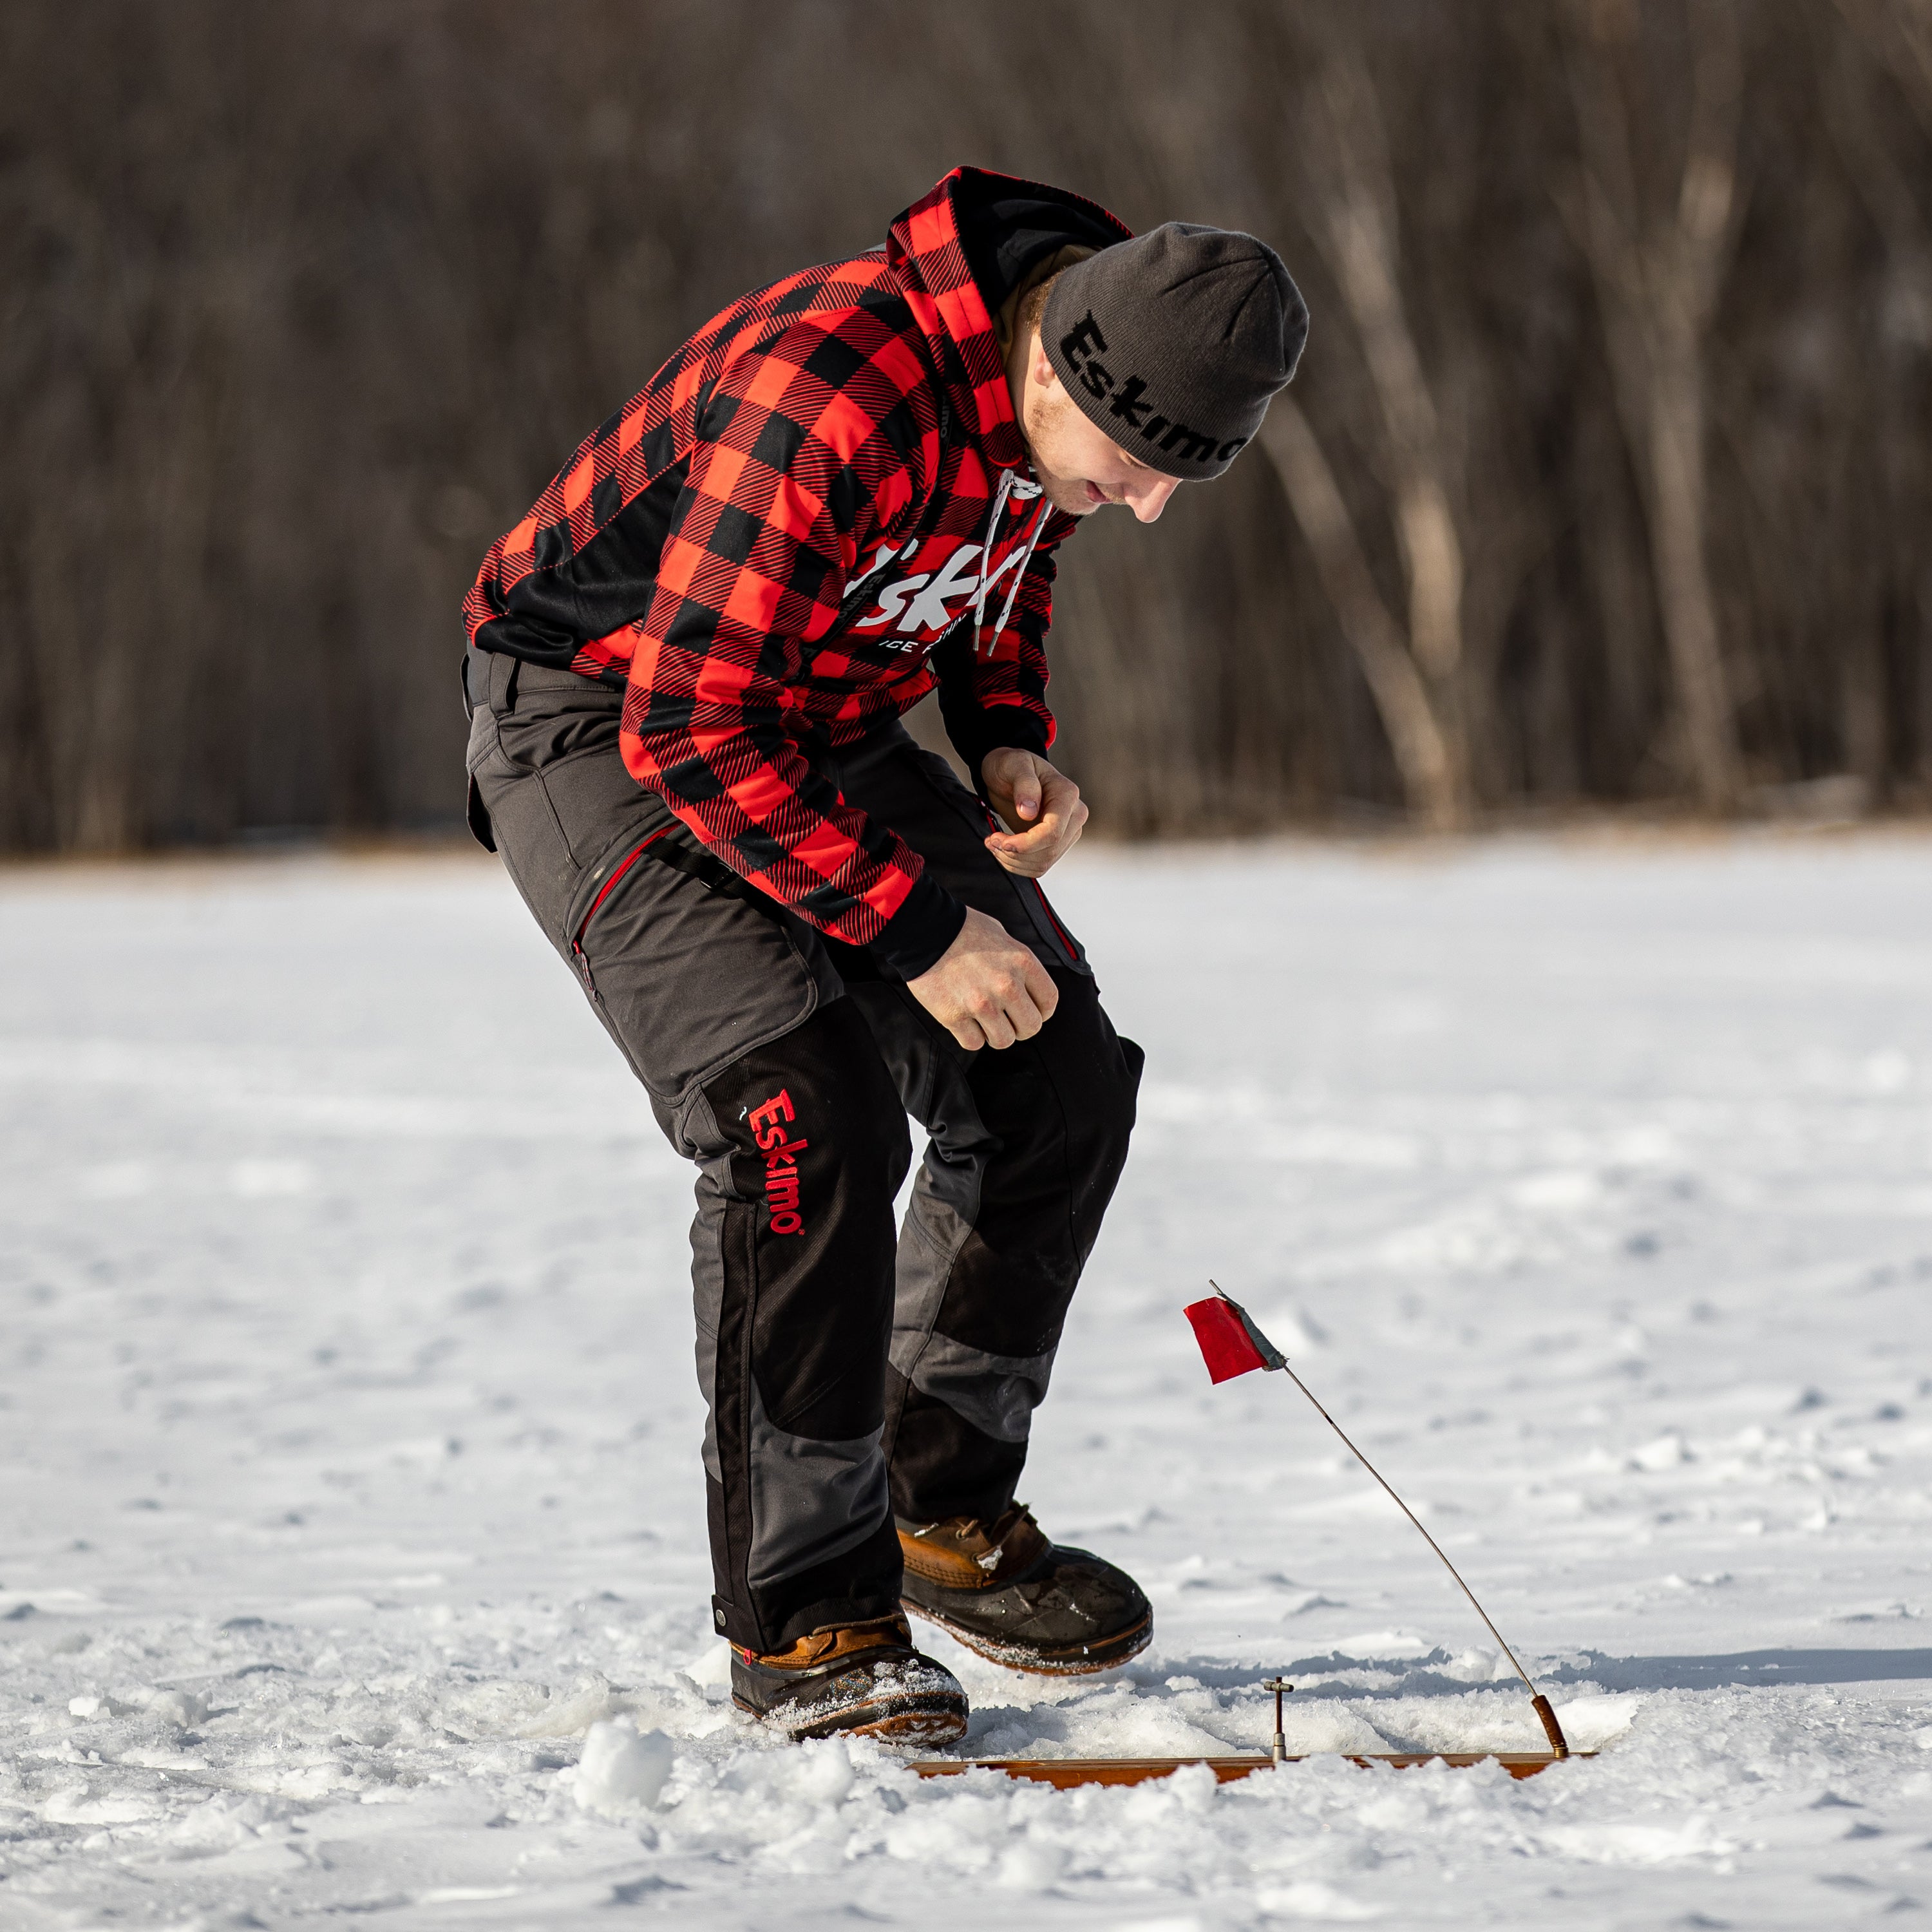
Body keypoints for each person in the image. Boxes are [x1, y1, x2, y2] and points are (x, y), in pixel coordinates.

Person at [462, 166, 1305, 1745]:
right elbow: (689, 725)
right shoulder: (832, 385)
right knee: (804, 1118)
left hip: (816, 721)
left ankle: (936, 1504)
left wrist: (1002, 736)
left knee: (1058, 1080)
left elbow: (1007, 548)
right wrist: (917, 929)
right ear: (1052, 368)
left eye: (1185, 480)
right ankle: (809, 1620)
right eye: (1138, 468)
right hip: (599, 718)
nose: (1149, 507)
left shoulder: (1059, 378)